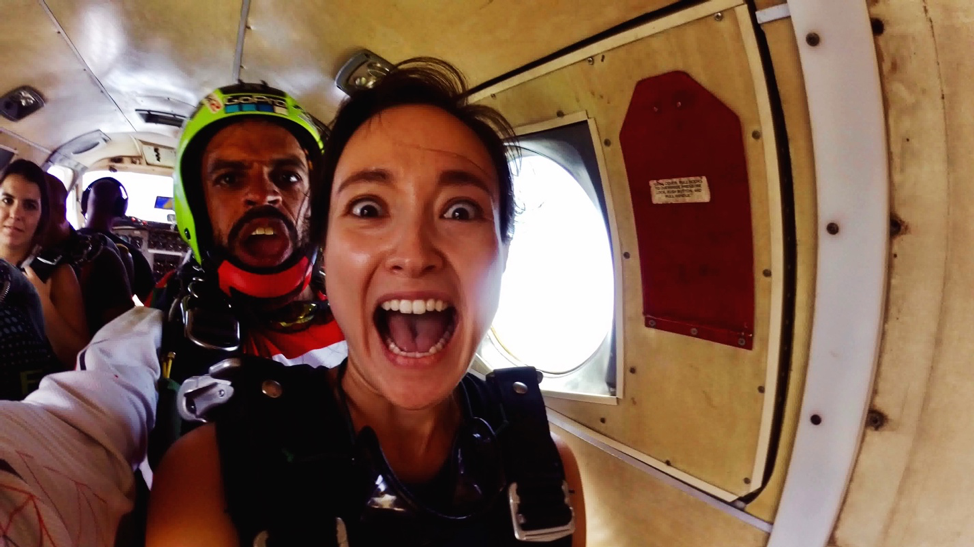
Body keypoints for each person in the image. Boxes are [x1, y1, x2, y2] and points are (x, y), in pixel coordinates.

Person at [147, 59, 585, 547]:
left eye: (460, 211)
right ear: (326, 248)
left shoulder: (547, 473)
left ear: (504, 253)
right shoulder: (208, 473)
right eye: (369, 208)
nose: (414, 254)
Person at [0, 159, 89, 369]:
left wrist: (41, 302)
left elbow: (79, 359)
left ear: (42, 216)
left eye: (29, 206)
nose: (16, 214)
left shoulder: (57, 274)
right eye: (7, 200)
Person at [38, 172, 134, 334]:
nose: (20, 216)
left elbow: (120, 338)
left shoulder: (103, 258)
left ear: (61, 213)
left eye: (33, 206)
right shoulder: (25, 256)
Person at [82, 177, 155, 302]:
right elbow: (154, 306)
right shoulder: (131, 255)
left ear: (85, 203)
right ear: (120, 208)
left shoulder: (64, 244)